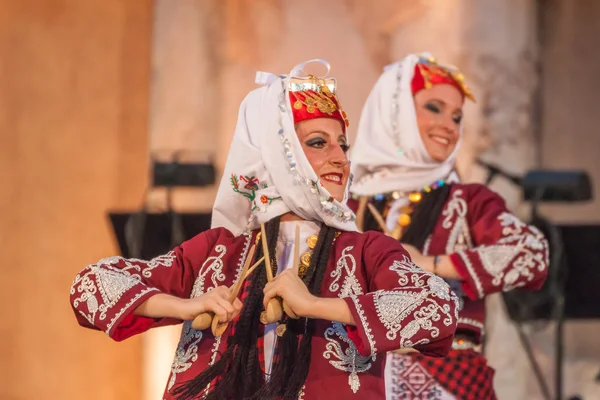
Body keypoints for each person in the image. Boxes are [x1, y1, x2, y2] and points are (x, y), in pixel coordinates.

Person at [70, 60, 459, 400]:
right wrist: (188, 305)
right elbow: (91, 286)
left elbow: (439, 309)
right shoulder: (220, 250)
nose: (341, 158)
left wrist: (314, 306)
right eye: (319, 143)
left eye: (343, 145)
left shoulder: (365, 250)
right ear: (276, 157)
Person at [349, 53, 549, 400]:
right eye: (434, 108)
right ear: (393, 113)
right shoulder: (349, 206)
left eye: (457, 116)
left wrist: (432, 264)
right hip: (362, 378)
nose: (449, 125)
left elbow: (532, 254)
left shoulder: (468, 200)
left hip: (449, 378)